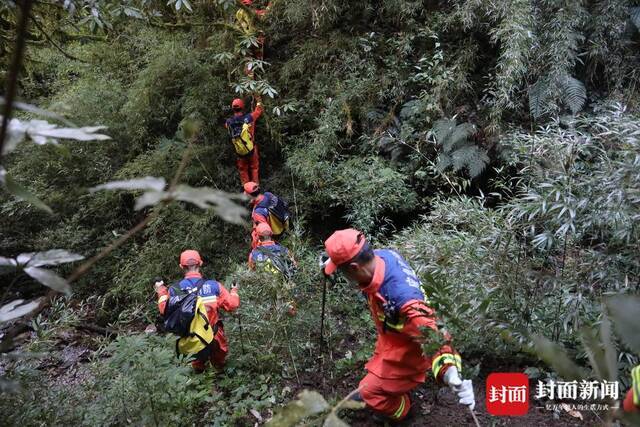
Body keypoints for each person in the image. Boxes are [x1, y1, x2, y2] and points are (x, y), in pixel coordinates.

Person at [321, 229, 475, 422]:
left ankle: (404, 410)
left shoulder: (403, 298)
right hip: (393, 337)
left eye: (343, 271)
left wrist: (451, 373)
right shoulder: (384, 256)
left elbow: (433, 333)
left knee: (370, 395)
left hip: (408, 351)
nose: (344, 277)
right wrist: (333, 262)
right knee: (368, 387)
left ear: (354, 267)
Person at [154, 250, 240, 373]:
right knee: (220, 366)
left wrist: (161, 290)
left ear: (181, 267)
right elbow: (232, 305)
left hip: (191, 339)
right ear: (200, 263)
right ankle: (220, 379)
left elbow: (164, 309)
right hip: (214, 336)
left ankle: (201, 381)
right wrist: (234, 291)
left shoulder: (174, 290)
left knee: (197, 369)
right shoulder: (214, 286)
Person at [225, 96, 264, 185]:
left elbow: (227, 126)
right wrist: (258, 100)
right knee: (254, 168)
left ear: (232, 108)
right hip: (251, 149)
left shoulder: (228, 122)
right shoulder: (249, 118)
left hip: (240, 152)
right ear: (242, 107)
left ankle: (247, 191)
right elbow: (258, 111)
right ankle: (255, 189)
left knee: (243, 170)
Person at [243, 181, 289, 248]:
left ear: (249, 195)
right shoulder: (268, 194)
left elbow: (265, 233)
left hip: (274, 234)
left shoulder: (258, 213)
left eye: (246, 192)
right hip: (283, 223)